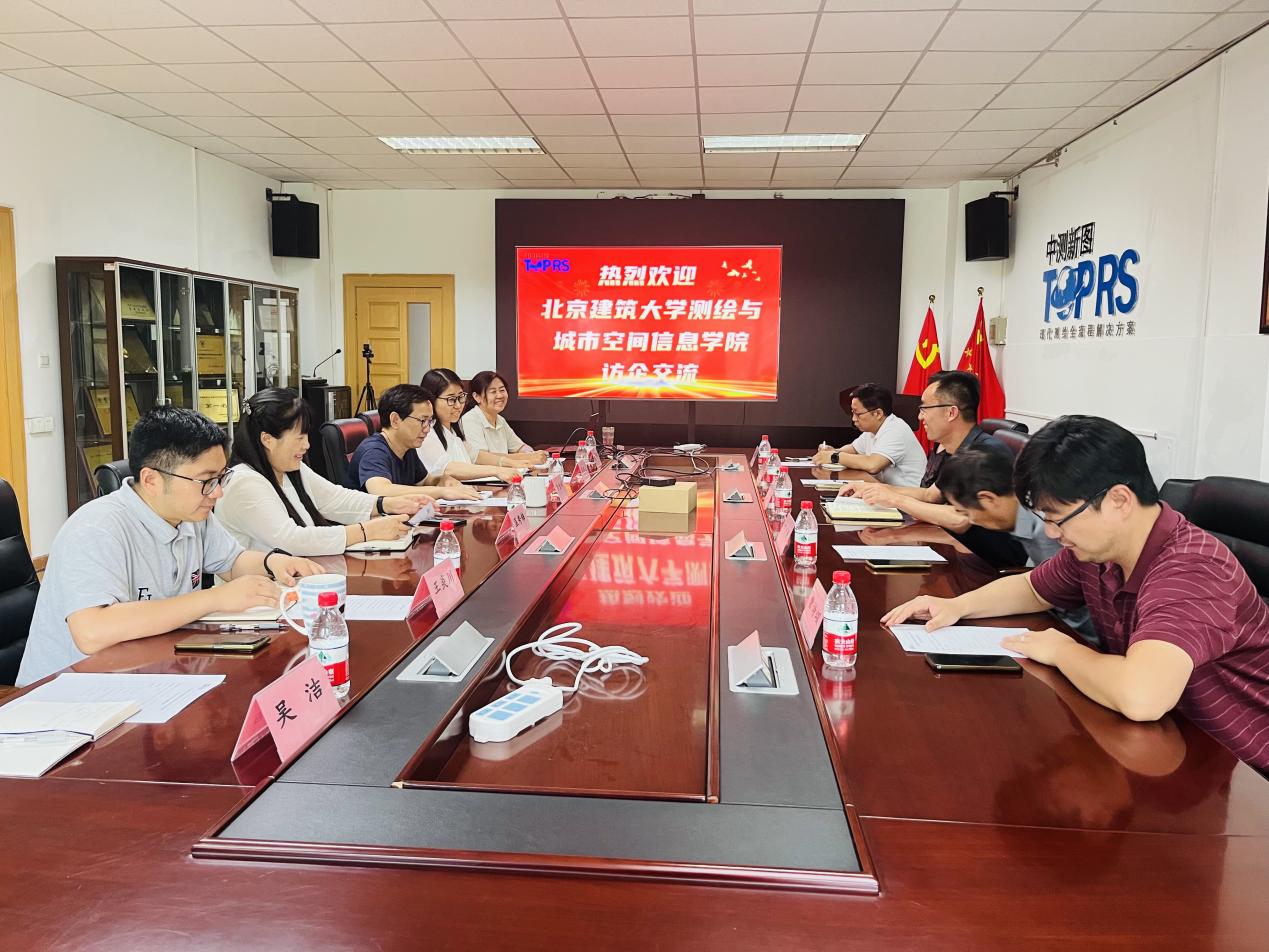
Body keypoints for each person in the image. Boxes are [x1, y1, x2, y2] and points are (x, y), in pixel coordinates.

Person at [882, 415, 1269, 772]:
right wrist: (955, 606)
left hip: (1236, 768)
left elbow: (1142, 696)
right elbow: (1032, 589)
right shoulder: (1101, 549)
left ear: (1119, 500)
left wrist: (1061, 650)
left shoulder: (1192, 570)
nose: (1051, 533)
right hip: (1158, 741)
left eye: (1057, 518)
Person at [17, 406, 322, 686]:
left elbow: (232, 562)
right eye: (206, 481)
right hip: (69, 693)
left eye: (221, 478)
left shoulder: (191, 514)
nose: (217, 493)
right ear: (151, 480)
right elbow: (92, 632)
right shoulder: (96, 528)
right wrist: (214, 598)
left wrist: (273, 562)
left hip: (150, 673)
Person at [215, 388, 427, 556]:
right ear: (267, 440)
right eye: (299, 437)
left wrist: (386, 504)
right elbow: (293, 540)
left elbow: (334, 498)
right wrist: (367, 531)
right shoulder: (244, 483)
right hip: (262, 593)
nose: (307, 445)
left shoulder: (288, 468)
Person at [938, 447, 1097, 645]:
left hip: (1078, 635)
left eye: (966, 512)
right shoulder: (1027, 511)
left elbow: (1063, 598)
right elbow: (1037, 583)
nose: (970, 520)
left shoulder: (1047, 529)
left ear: (988, 499)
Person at [348, 384, 480, 503]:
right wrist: (441, 492)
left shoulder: (407, 447)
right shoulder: (374, 451)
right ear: (395, 420)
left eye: (430, 421)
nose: (427, 429)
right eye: (422, 421)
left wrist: (442, 480)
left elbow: (424, 481)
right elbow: (381, 490)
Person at [811, 383, 925, 486]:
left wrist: (834, 456)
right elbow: (853, 449)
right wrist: (833, 451)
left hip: (910, 496)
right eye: (853, 412)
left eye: (858, 414)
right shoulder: (873, 429)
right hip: (888, 491)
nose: (854, 419)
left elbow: (873, 465)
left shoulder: (895, 430)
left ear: (878, 413)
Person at [417, 368, 519, 482]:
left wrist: (512, 463)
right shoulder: (426, 433)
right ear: (431, 400)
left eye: (461, 397)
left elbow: (475, 456)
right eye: (451, 399)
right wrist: (497, 471)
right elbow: (448, 468)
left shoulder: (454, 429)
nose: (458, 405)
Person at [461, 371, 548, 468]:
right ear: (477, 397)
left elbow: (519, 447)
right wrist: (528, 457)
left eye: (502, 390)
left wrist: (532, 453)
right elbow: (483, 458)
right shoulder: (470, 420)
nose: (500, 396)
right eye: (493, 392)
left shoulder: (500, 420)